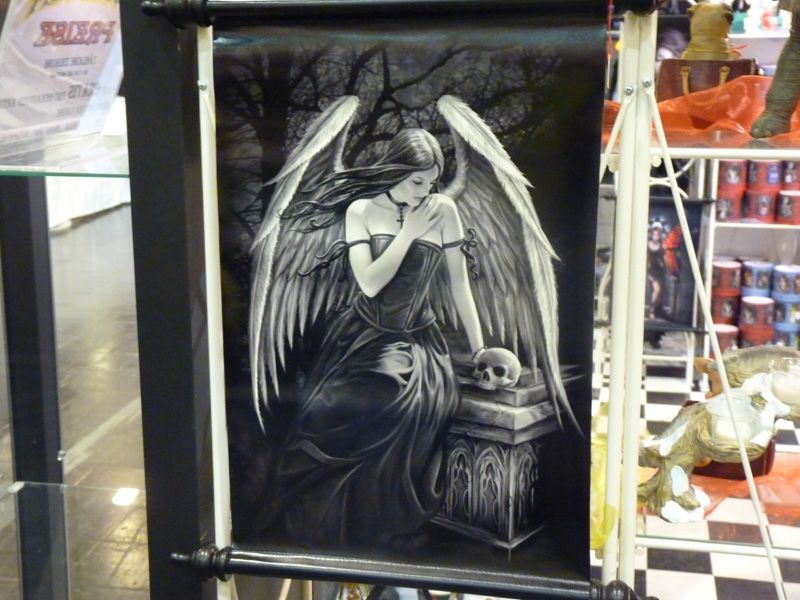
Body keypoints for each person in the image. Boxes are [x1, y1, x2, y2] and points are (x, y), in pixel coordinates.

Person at [256, 129, 487, 548]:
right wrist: (408, 232)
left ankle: (380, 524)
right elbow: (369, 283)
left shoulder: (443, 209)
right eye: (417, 181)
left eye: (432, 182)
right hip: (362, 336)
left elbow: (460, 286)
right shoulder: (361, 210)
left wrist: (480, 348)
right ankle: (330, 523)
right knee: (338, 410)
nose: (425, 191)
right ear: (396, 170)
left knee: (404, 398)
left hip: (417, 341)